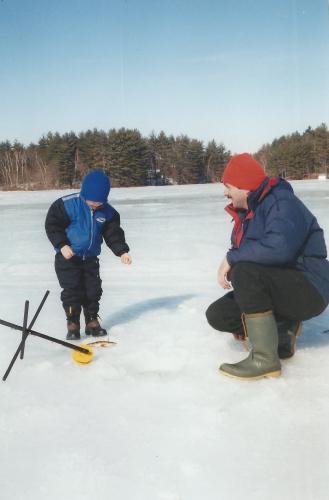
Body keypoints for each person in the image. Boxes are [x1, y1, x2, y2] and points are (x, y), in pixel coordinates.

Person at [206, 153, 329, 380]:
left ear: (245, 187)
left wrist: (232, 260)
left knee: (245, 270)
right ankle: (282, 333)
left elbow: (279, 248)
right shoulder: (247, 214)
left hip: (310, 288)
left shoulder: (282, 203)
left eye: (228, 186)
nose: (225, 192)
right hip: (282, 286)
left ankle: (264, 359)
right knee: (218, 314)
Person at [45, 170, 132, 340]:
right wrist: (61, 245)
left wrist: (122, 251)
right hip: (68, 259)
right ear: (84, 194)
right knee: (72, 292)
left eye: (99, 203)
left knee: (93, 291)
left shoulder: (107, 212)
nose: (94, 205)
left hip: (90, 259)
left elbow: (113, 233)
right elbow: (53, 226)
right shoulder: (67, 205)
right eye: (91, 201)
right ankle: (73, 323)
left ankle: (91, 320)